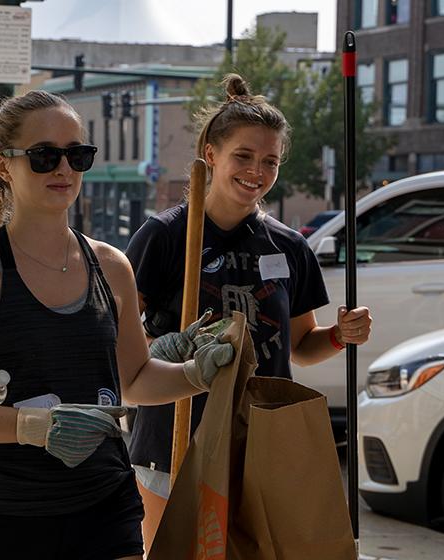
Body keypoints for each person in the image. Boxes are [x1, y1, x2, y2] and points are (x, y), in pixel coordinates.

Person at [0, 90, 236, 560]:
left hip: (104, 510)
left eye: (77, 155)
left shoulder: (112, 265)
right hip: (1, 516)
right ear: (5, 166)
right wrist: (36, 426)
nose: (64, 169)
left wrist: (195, 375)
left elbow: (134, 378)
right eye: (45, 156)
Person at [123, 74, 372, 549]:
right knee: (175, 553)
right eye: (243, 156)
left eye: (270, 160)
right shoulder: (165, 236)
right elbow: (120, 343)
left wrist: (340, 335)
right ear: (211, 156)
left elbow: (300, 348)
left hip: (260, 437)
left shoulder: (289, 246)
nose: (256, 171)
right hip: (177, 434)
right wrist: (167, 348)